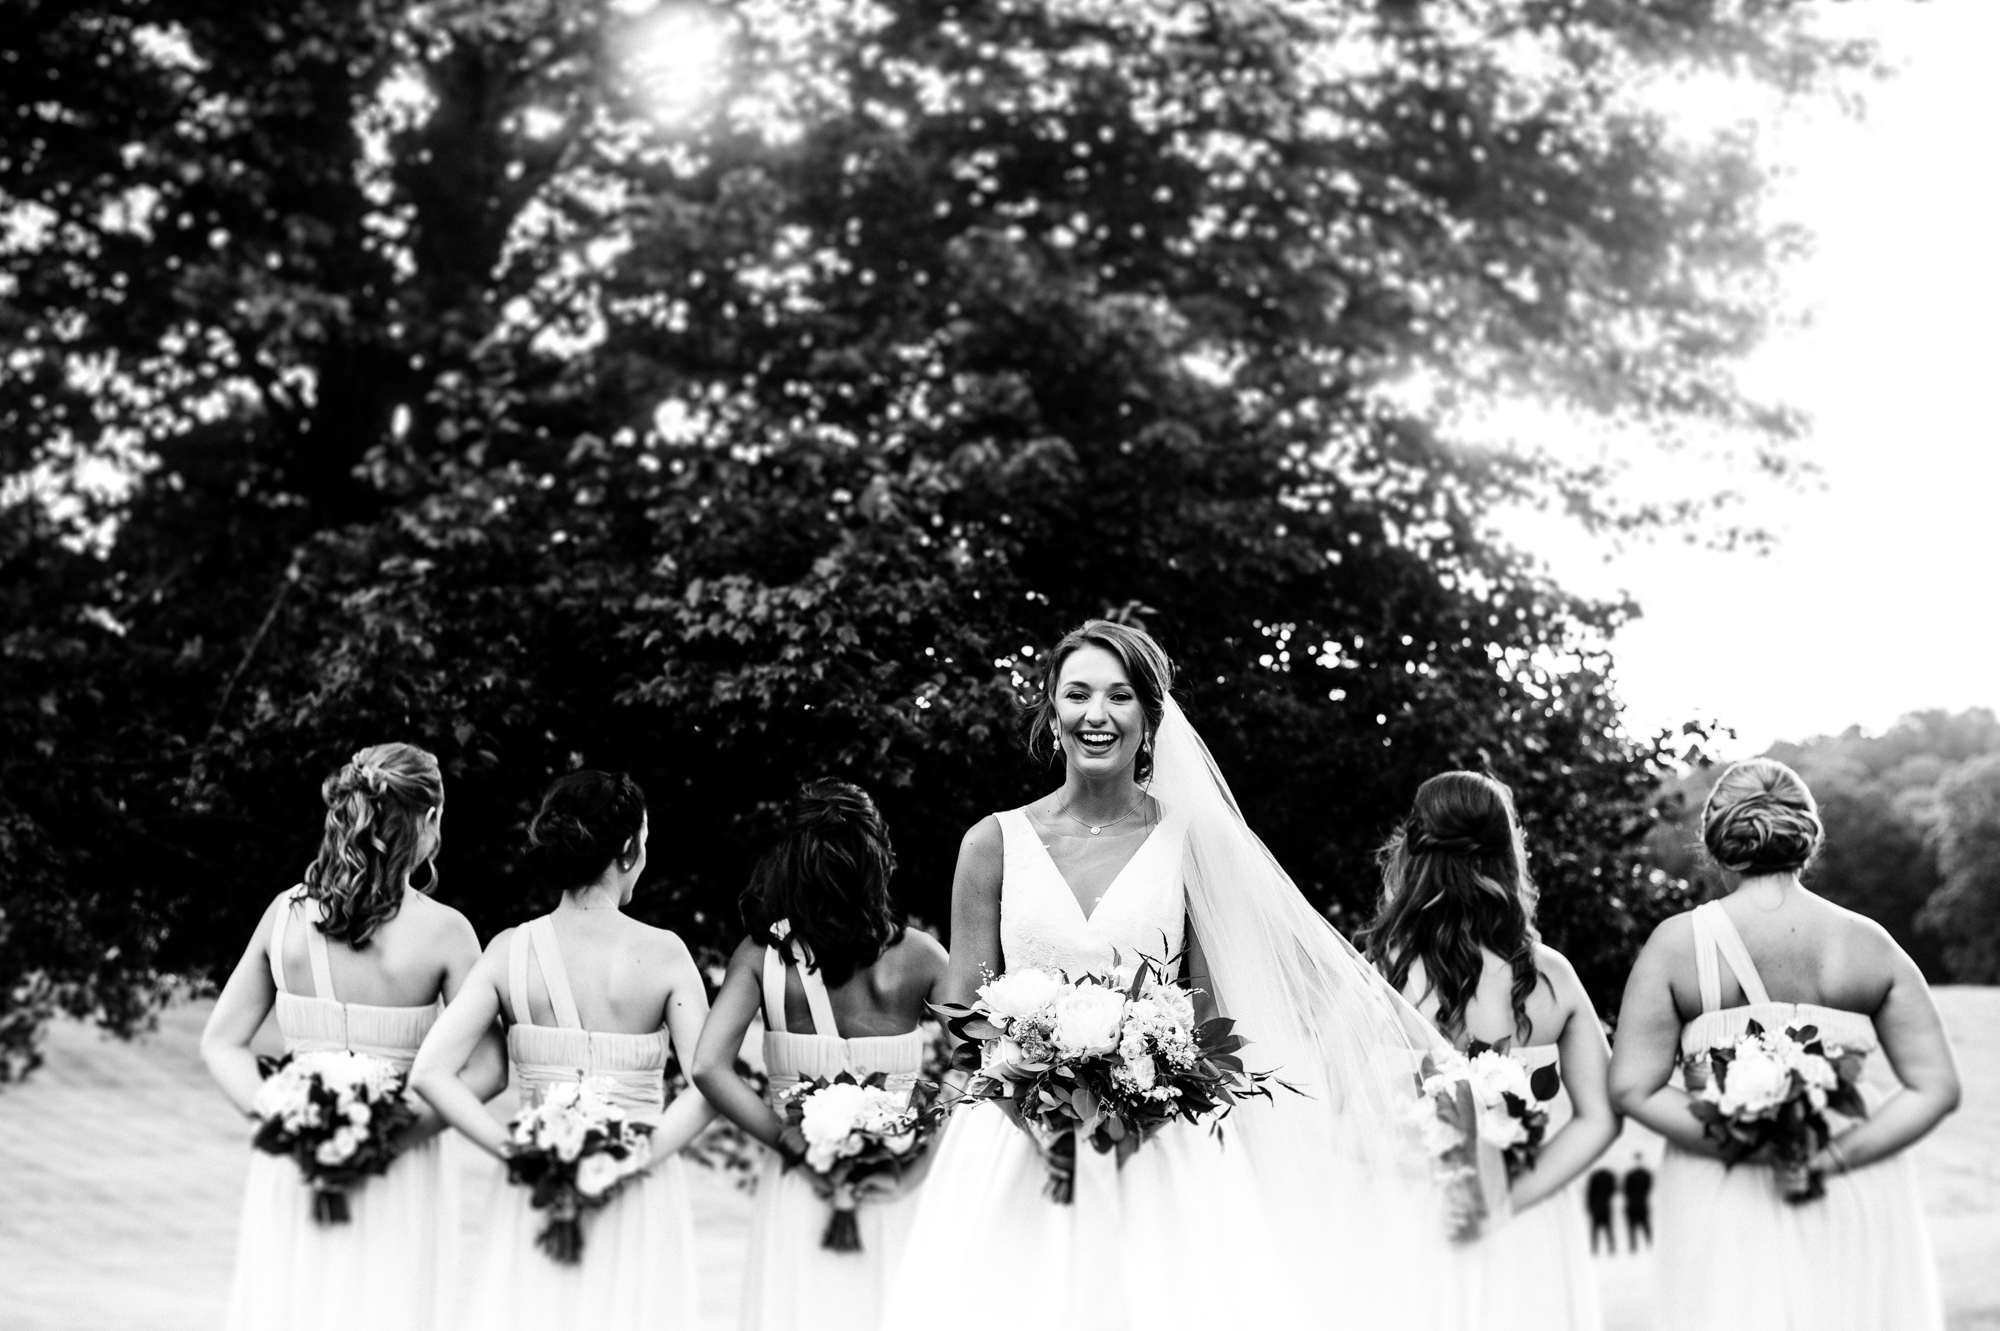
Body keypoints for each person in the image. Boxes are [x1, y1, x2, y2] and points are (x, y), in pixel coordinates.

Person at [882, 619, 1454, 1331]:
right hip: (1012, 1144)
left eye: (1120, 696)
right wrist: (1043, 1124)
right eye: (1078, 694)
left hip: (1156, 1146)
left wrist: (1134, 1114)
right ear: (1051, 710)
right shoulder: (992, 843)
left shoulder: (1191, 842)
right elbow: (965, 1019)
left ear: (1150, 717)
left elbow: (1211, 1022)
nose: (1097, 715)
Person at [1609, 758, 1960, 1331]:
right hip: (1849, 1189)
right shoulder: (1868, 943)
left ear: (1717, 839)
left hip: (1723, 1197)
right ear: (1807, 838)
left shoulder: (1677, 946)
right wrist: (1829, 1156)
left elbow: (1630, 1086)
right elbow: (1936, 1088)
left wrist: (1744, 1144)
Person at [201, 742, 502, 1331]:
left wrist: (291, 1126)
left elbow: (220, 1042)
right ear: (428, 820)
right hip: (399, 1162)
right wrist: (384, 1139)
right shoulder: (446, 932)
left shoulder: (284, 915)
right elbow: (489, 1068)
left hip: (296, 1165)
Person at [411, 770, 718, 1328]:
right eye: (645, 842)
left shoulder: (508, 951)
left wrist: (515, 1151)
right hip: (636, 1191)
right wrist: (637, 1157)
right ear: (628, 849)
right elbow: (709, 1081)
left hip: (536, 1187)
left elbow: (432, 1073)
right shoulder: (666, 954)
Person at [1363, 770, 1618, 1331]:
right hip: (1526, 1225)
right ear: (1509, 853)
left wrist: (1427, 1178)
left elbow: (1334, 1114)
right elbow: (1600, 1119)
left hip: (1412, 1221)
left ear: (1411, 851)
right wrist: (1504, 1200)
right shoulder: (1552, 978)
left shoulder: (1379, 977)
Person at [691, 779, 949, 1331]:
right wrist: (923, 1150)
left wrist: (785, 1138)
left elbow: (708, 1066)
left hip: (801, 1183)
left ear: (794, 860)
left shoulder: (761, 958)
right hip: (894, 1182)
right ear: (880, 859)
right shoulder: (923, 957)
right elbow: (979, 1061)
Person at [1585, 1169, 1619, 1256]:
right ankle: (1611, 1247)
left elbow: (1589, 1193)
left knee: (1595, 1230)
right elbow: (1613, 1190)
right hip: (1605, 1206)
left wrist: (1589, 1206)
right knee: (1608, 1229)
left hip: (1596, 1207)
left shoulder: (1594, 1177)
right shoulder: (1609, 1177)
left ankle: (1594, 1248)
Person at [1622, 1156, 1652, 1250]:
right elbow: (1648, 1188)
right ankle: (1649, 1244)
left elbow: (1625, 1190)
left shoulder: (1630, 1175)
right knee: (1645, 1225)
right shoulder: (1646, 1175)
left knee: (1632, 1227)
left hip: (1632, 1204)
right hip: (1642, 1203)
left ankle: (1633, 1246)